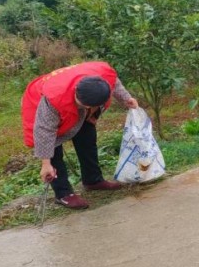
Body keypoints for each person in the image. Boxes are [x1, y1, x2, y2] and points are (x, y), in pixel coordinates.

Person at [21, 61, 139, 209]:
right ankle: (63, 193)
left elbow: (114, 82)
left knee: (87, 137)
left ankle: (93, 180)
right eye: (83, 105)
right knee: (54, 149)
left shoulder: (103, 76)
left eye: (90, 106)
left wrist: (126, 99)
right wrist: (45, 164)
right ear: (76, 90)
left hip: (71, 102)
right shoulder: (54, 99)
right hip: (38, 101)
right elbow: (44, 131)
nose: (86, 108)